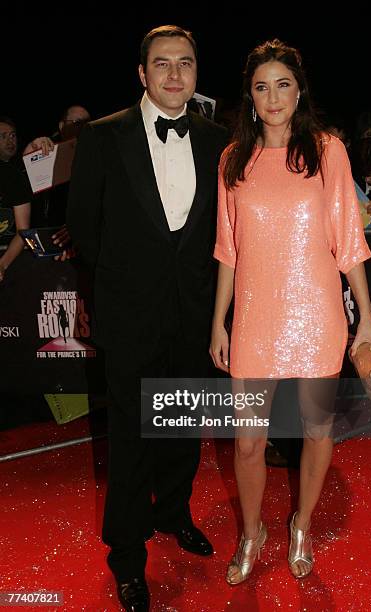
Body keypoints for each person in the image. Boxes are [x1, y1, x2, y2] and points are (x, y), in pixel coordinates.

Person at [210, 39, 371, 584]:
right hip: (255, 317)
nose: (273, 96)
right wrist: (219, 319)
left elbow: (347, 238)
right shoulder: (233, 160)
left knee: (316, 430)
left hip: (316, 313)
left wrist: (369, 318)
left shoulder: (327, 150)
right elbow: (228, 249)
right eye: (261, 86)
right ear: (250, 95)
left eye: (283, 83)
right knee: (247, 441)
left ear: (299, 89)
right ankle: (252, 530)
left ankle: (302, 523)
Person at [66, 25, 227, 611]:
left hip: (194, 312)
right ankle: (128, 559)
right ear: (142, 73)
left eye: (186, 63)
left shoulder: (217, 140)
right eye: (163, 64)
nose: (175, 75)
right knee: (132, 440)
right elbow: (84, 228)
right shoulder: (103, 137)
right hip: (131, 315)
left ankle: (174, 513)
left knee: (183, 427)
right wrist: (126, 283)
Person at [0, 116, 31, 281]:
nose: (10, 140)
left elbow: (23, 231)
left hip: (10, 259)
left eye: (12, 135)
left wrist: (3, 264)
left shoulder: (15, 176)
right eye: (2, 136)